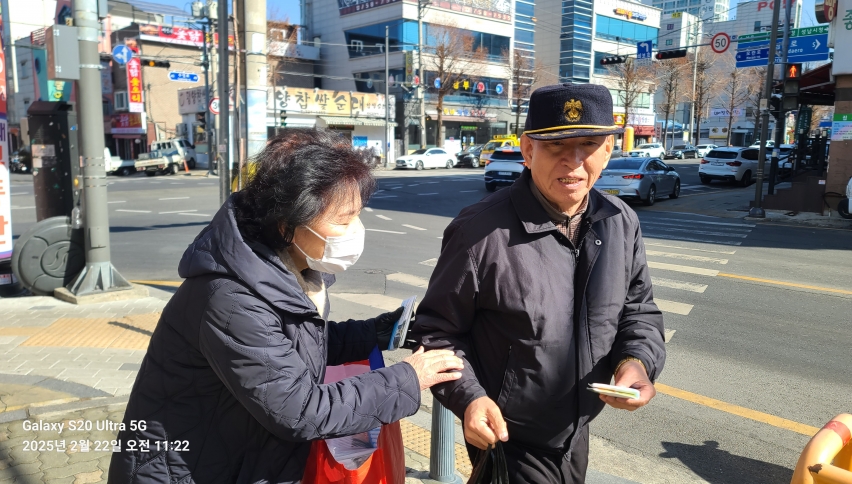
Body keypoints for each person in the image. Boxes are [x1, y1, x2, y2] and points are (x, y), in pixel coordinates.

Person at [108, 130, 464, 484]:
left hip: (238, 456)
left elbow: (295, 345)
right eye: (343, 220)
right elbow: (300, 410)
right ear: (286, 224)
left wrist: (379, 332)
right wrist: (408, 378)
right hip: (188, 469)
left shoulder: (284, 267)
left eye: (358, 215)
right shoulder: (232, 299)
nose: (355, 230)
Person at [412, 83, 667, 484]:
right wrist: (470, 399)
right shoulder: (479, 232)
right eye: (556, 146)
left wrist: (635, 362)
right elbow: (437, 332)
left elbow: (639, 312)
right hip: (506, 437)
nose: (573, 161)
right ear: (528, 150)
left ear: (608, 150)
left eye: (588, 144)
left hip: (575, 432)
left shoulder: (621, 221)